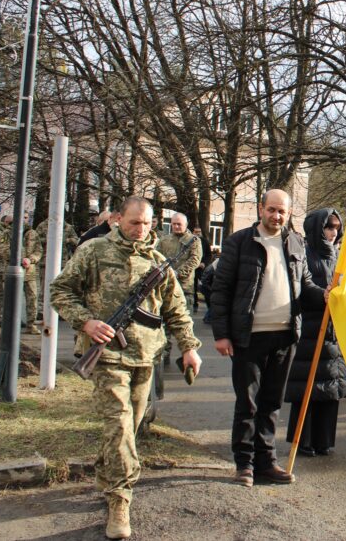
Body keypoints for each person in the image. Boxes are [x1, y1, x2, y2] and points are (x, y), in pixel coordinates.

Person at [50, 196, 202, 540]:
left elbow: (176, 310)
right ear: (119, 219)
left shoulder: (159, 261)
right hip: (106, 357)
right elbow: (60, 290)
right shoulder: (93, 252)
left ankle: (106, 475)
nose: (141, 229)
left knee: (127, 430)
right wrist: (86, 322)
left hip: (145, 357)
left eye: (148, 223)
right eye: (135, 222)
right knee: (119, 425)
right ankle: (120, 499)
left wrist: (190, 348)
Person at [210, 189, 319, 487]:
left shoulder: (296, 242)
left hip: (285, 336)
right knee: (248, 403)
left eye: (282, 211)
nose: (276, 216)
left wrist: (328, 297)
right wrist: (221, 334)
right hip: (248, 337)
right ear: (261, 208)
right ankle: (244, 464)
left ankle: (266, 462)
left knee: (271, 403)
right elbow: (220, 291)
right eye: (271, 210)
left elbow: (305, 285)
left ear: (289, 213)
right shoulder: (239, 242)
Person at [284, 208, 346, 457]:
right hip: (311, 328)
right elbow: (302, 284)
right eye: (329, 227)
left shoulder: (339, 256)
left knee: (330, 385)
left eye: (336, 227)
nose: (333, 232)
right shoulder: (305, 253)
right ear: (317, 228)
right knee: (309, 387)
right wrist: (321, 295)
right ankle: (303, 440)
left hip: (335, 330)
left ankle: (324, 440)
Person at [157, 213, 203, 314]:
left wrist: (177, 273)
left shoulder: (194, 241)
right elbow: (157, 258)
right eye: (174, 224)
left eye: (179, 224)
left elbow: (195, 260)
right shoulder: (164, 240)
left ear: (186, 225)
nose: (176, 226)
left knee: (183, 321)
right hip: (166, 285)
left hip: (184, 287)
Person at [192, 226, 213, 313]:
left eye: (199, 231)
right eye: (196, 231)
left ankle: (210, 307)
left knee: (205, 286)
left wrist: (204, 263)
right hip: (192, 268)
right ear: (193, 232)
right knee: (193, 288)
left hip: (202, 269)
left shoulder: (204, 242)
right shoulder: (190, 241)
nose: (198, 233)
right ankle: (194, 305)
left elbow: (209, 255)